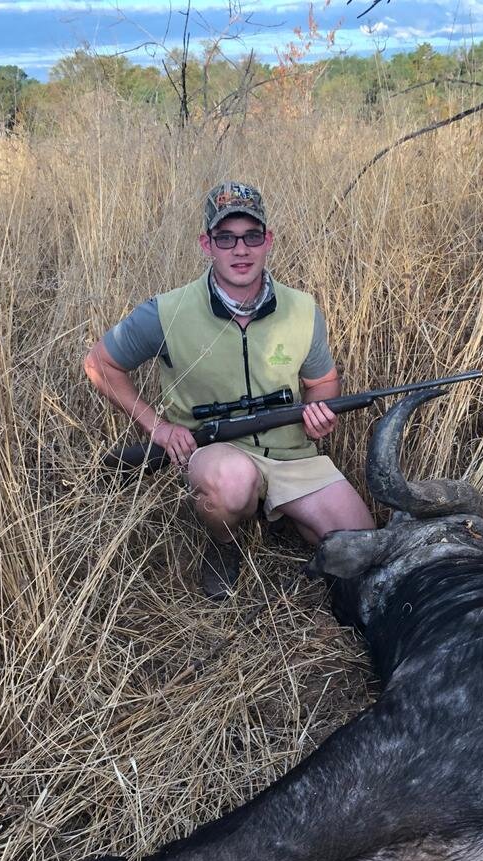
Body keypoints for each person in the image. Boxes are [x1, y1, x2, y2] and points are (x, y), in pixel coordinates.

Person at [83, 180, 375, 599]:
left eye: (252, 236)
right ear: (207, 244)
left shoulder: (302, 309)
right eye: (226, 237)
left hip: (292, 454)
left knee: (363, 547)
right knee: (232, 482)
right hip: (217, 455)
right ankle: (224, 544)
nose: (241, 250)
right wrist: (159, 429)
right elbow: (98, 363)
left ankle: (277, 512)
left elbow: (322, 381)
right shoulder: (167, 311)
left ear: (268, 240)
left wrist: (317, 412)